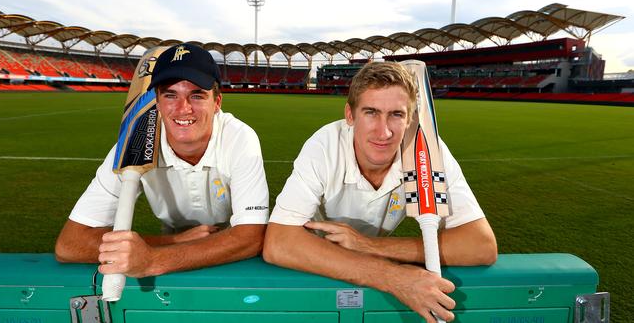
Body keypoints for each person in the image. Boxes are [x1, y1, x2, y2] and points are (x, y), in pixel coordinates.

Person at [263, 61, 497, 323]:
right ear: (350, 116)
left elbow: (481, 246)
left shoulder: (427, 151)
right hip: (315, 257)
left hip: (357, 253)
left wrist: (368, 245)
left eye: (396, 114)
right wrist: (394, 278)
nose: (384, 132)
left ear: (409, 119)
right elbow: (278, 243)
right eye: (371, 112)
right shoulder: (325, 146)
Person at [55, 43, 269, 278]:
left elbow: (250, 237)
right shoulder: (132, 145)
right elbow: (69, 244)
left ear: (217, 103)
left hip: (231, 251)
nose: (183, 108)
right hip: (174, 240)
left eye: (196, 95)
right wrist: (170, 241)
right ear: (156, 102)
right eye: (170, 95)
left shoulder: (239, 137)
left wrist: (152, 259)